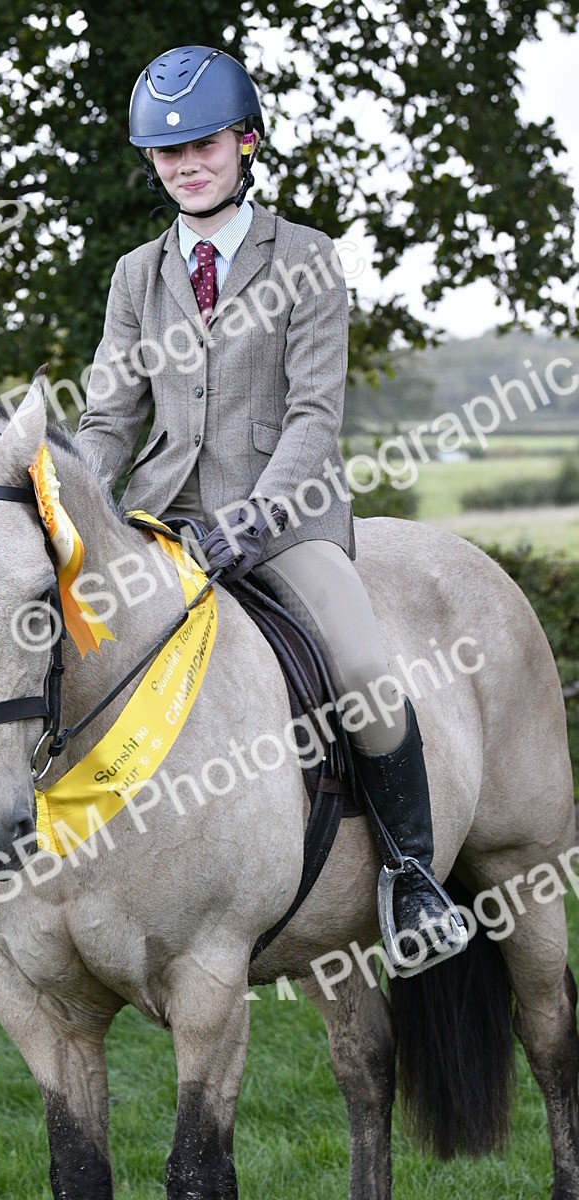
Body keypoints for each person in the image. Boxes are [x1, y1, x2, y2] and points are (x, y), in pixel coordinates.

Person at [74, 45, 464, 974]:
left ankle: (412, 875)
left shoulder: (307, 259)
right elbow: (107, 416)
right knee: (47, 654)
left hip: (286, 519)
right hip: (164, 522)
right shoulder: (136, 276)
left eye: (202, 145)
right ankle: (21, 874)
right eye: (166, 154)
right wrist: (70, 512)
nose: (184, 166)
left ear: (245, 142)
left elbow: (313, 415)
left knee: (364, 662)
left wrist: (243, 524)